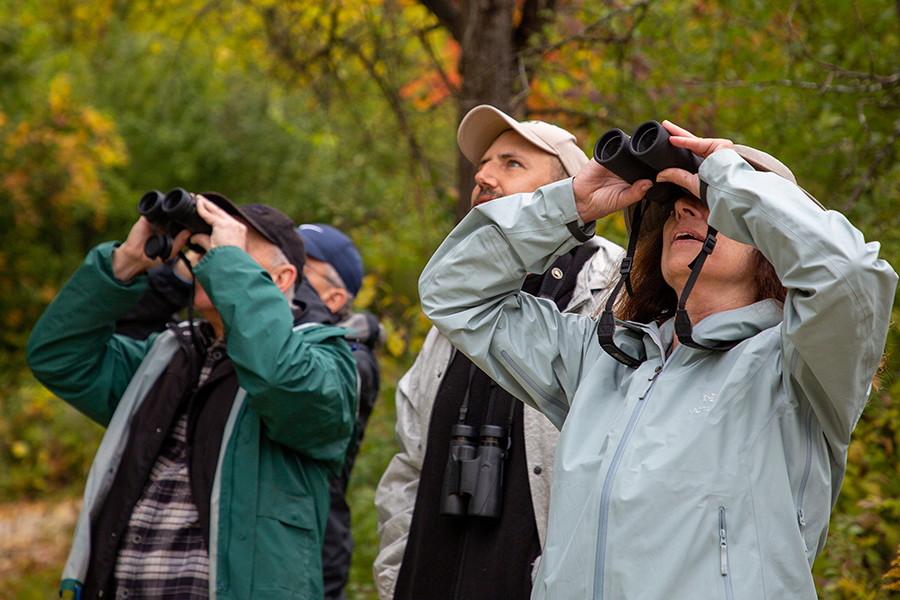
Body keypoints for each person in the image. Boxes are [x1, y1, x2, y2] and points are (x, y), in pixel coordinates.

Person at [417, 120, 898, 598]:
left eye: (710, 206)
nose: (686, 209)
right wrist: (571, 203)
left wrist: (728, 176)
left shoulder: (798, 368)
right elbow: (454, 293)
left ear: (770, 242)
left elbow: (851, 276)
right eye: (672, 209)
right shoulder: (603, 361)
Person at [26, 194, 358, 599]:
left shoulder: (326, 358)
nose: (209, 262)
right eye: (204, 249)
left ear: (283, 279)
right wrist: (125, 264)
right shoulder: (167, 358)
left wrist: (231, 269)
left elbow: (283, 383)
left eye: (228, 249)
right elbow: (58, 356)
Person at [373, 105, 624, 600]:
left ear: (571, 189)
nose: (483, 177)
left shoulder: (615, 290)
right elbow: (410, 463)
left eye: (511, 163)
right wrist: (396, 576)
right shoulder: (455, 311)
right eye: (482, 166)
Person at [297, 223, 383, 600]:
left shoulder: (356, 359)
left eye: (299, 265)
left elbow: (306, 390)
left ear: (333, 299)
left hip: (312, 553)